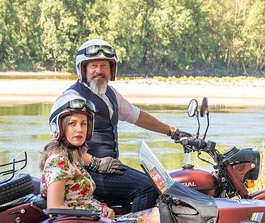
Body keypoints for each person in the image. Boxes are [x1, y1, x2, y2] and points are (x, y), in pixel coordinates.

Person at [60, 38, 187, 212]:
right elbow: (60, 143)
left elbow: (136, 115)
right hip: (87, 172)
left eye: (104, 66)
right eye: (93, 66)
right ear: (82, 69)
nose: (99, 71)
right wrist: (95, 162)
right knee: (147, 187)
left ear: (111, 69)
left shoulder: (109, 93)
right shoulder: (71, 99)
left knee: (154, 182)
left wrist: (173, 132)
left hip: (109, 168)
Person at [40, 91, 162, 223]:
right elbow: (55, 209)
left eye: (84, 124)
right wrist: (96, 215)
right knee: (165, 219)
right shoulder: (59, 161)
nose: (79, 129)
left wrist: (103, 208)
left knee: (164, 212)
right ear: (59, 127)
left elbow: (78, 200)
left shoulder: (72, 157)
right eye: (72, 123)